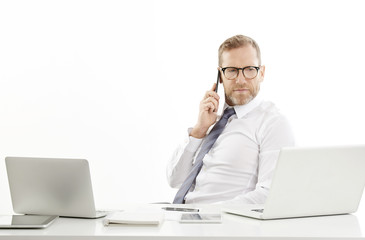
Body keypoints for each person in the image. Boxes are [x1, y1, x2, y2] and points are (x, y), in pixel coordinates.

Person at [166, 34, 295, 204]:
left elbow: (270, 194)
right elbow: (175, 180)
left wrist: (205, 214)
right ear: (220, 76)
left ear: (261, 73)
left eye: (249, 69)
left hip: (216, 224)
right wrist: (199, 130)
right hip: (183, 218)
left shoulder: (272, 123)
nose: (240, 80)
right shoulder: (212, 121)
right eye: (232, 70)